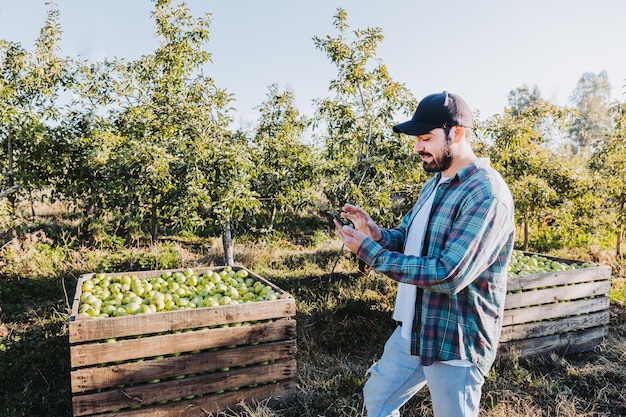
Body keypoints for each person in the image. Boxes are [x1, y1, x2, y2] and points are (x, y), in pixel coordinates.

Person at [333, 91, 515, 417]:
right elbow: (409, 238)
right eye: (417, 139)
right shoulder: (435, 183)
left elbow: (448, 273)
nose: (418, 147)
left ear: (456, 133)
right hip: (414, 329)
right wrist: (376, 234)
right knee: (378, 399)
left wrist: (370, 252)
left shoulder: (485, 192)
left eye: (426, 138)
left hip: (453, 340)